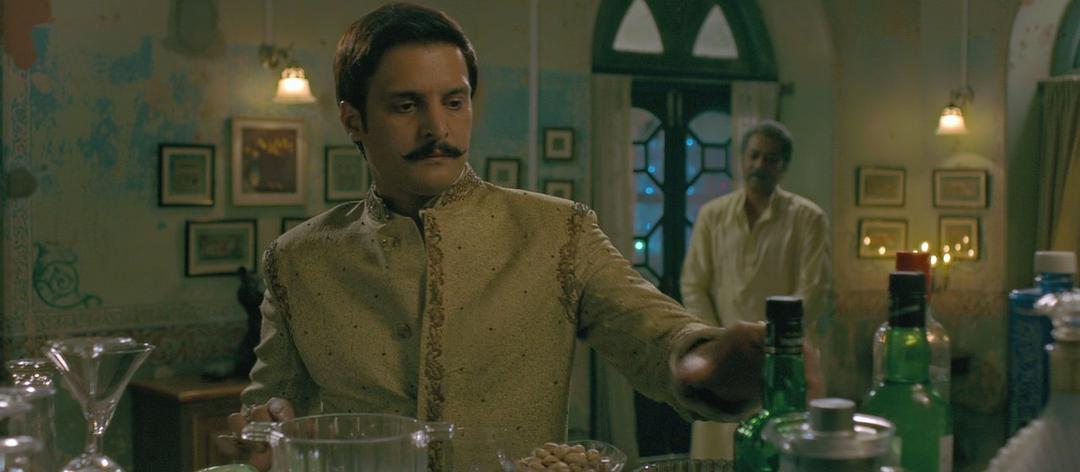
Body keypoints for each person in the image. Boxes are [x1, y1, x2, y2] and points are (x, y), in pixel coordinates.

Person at [221, 3, 766, 469]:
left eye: (454, 102)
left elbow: (656, 338)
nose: (438, 128)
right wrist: (262, 433)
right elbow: (269, 413)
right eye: (407, 105)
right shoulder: (298, 259)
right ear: (353, 120)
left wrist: (715, 361)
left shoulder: (558, 231)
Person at [679, 120, 832, 459]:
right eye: (754, 156)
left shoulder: (809, 218)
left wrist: (770, 343)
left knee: (777, 451)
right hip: (722, 354)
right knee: (717, 453)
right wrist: (719, 340)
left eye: (771, 159)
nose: (760, 165)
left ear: (784, 166)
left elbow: (813, 291)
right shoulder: (712, 215)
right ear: (742, 159)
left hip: (784, 358)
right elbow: (693, 284)